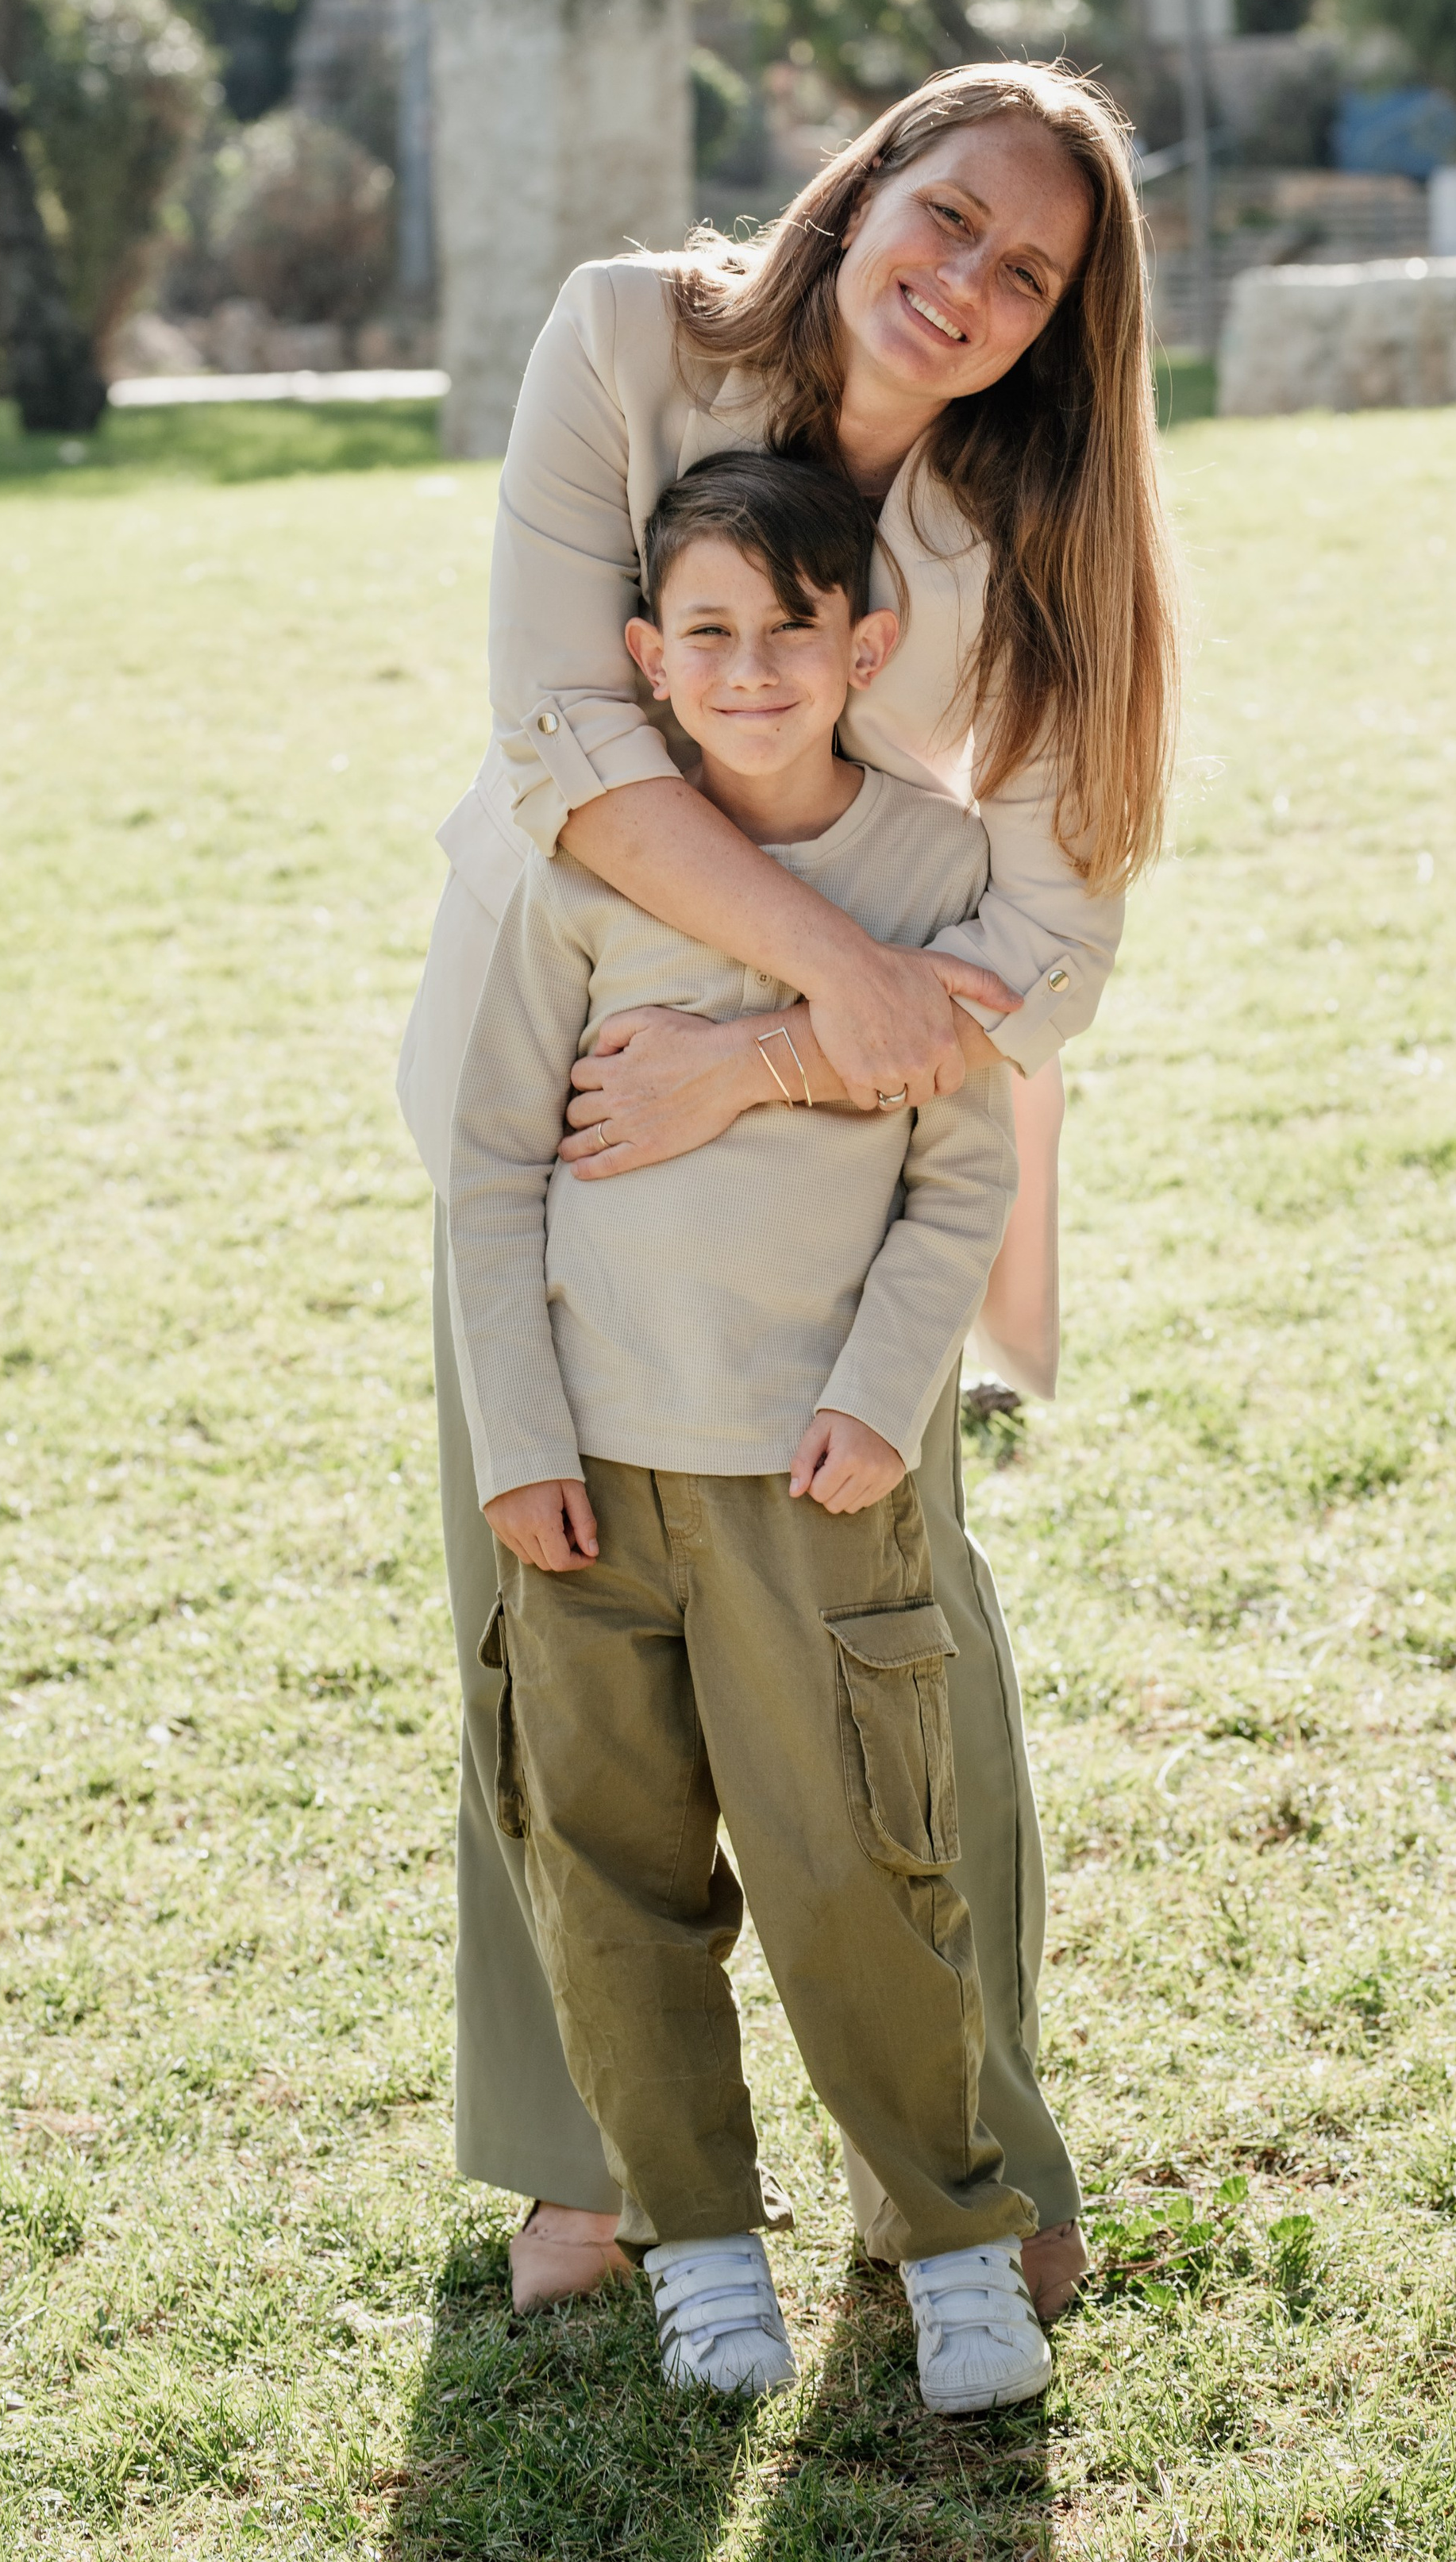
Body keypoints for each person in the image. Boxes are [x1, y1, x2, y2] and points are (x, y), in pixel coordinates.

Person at [397, 60, 1179, 2320]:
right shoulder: (629, 340)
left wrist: (767, 1051)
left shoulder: (1040, 545)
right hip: (546, 1108)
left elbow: (1047, 950)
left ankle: (964, 2153)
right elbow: (568, 734)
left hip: (826, 1180)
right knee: (547, 1636)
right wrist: (835, 971)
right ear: (865, 191)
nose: (966, 282)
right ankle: (589, 2162)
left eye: (1027, 273)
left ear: (1058, 329)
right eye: (946, 217)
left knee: (896, 1661)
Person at [450, 449, 1052, 2411]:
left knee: (857, 1865)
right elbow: (487, 1172)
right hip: (591, 1478)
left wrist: (885, 1397)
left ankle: (954, 2234)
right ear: (645, 654)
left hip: (814, 1472)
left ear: (860, 643)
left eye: (789, 629)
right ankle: (699, 2242)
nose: (747, 665)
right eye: (702, 632)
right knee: (616, 1866)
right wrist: (519, 1437)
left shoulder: (931, 874)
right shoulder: (590, 870)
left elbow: (962, 1179)